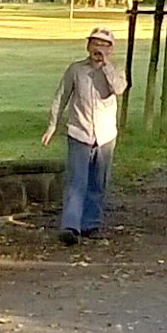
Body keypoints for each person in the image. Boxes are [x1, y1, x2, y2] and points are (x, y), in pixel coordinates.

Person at [40, 27, 128, 245]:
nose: (98, 48)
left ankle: (92, 224)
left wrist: (106, 66)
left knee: (98, 181)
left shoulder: (116, 69)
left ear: (111, 48)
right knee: (76, 180)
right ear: (88, 46)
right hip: (79, 131)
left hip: (105, 134)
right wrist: (52, 125)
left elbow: (119, 88)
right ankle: (70, 226)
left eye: (104, 44)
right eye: (94, 43)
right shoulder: (76, 69)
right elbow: (61, 96)